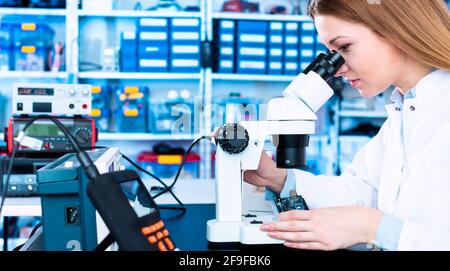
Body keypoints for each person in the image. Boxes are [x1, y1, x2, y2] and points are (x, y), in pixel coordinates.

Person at [243, 0, 450, 251]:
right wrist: (279, 178)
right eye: (331, 54)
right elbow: (362, 190)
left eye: (344, 47)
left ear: (395, 28)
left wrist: (374, 227)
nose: (337, 70)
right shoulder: (405, 108)